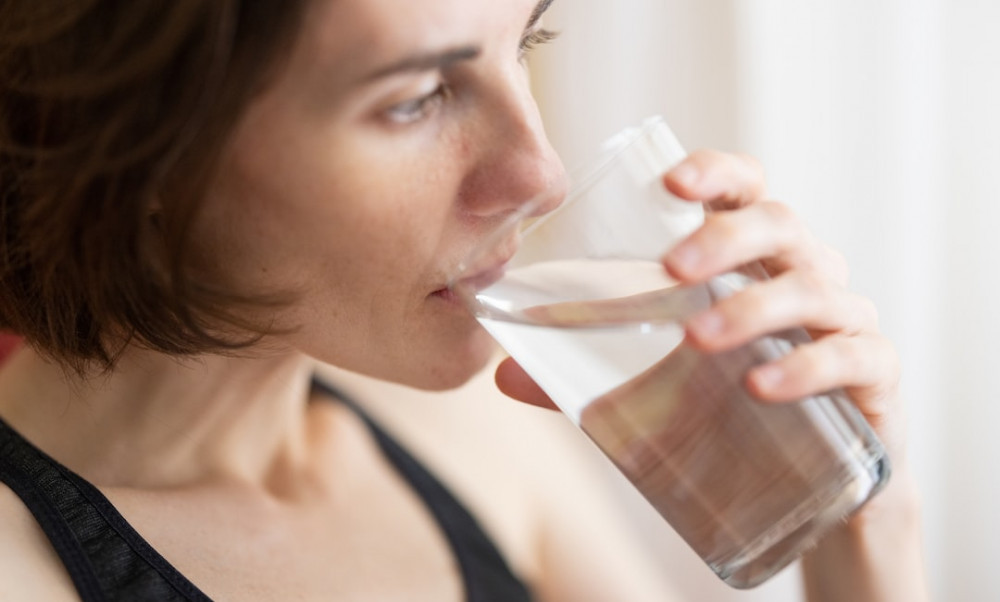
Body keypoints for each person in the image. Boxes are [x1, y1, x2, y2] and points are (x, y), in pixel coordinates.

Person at [0, 1, 929, 600]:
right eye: (416, 97)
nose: (542, 173)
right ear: (139, 147)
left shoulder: (471, 435)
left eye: (524, 40)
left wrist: (866, 530)